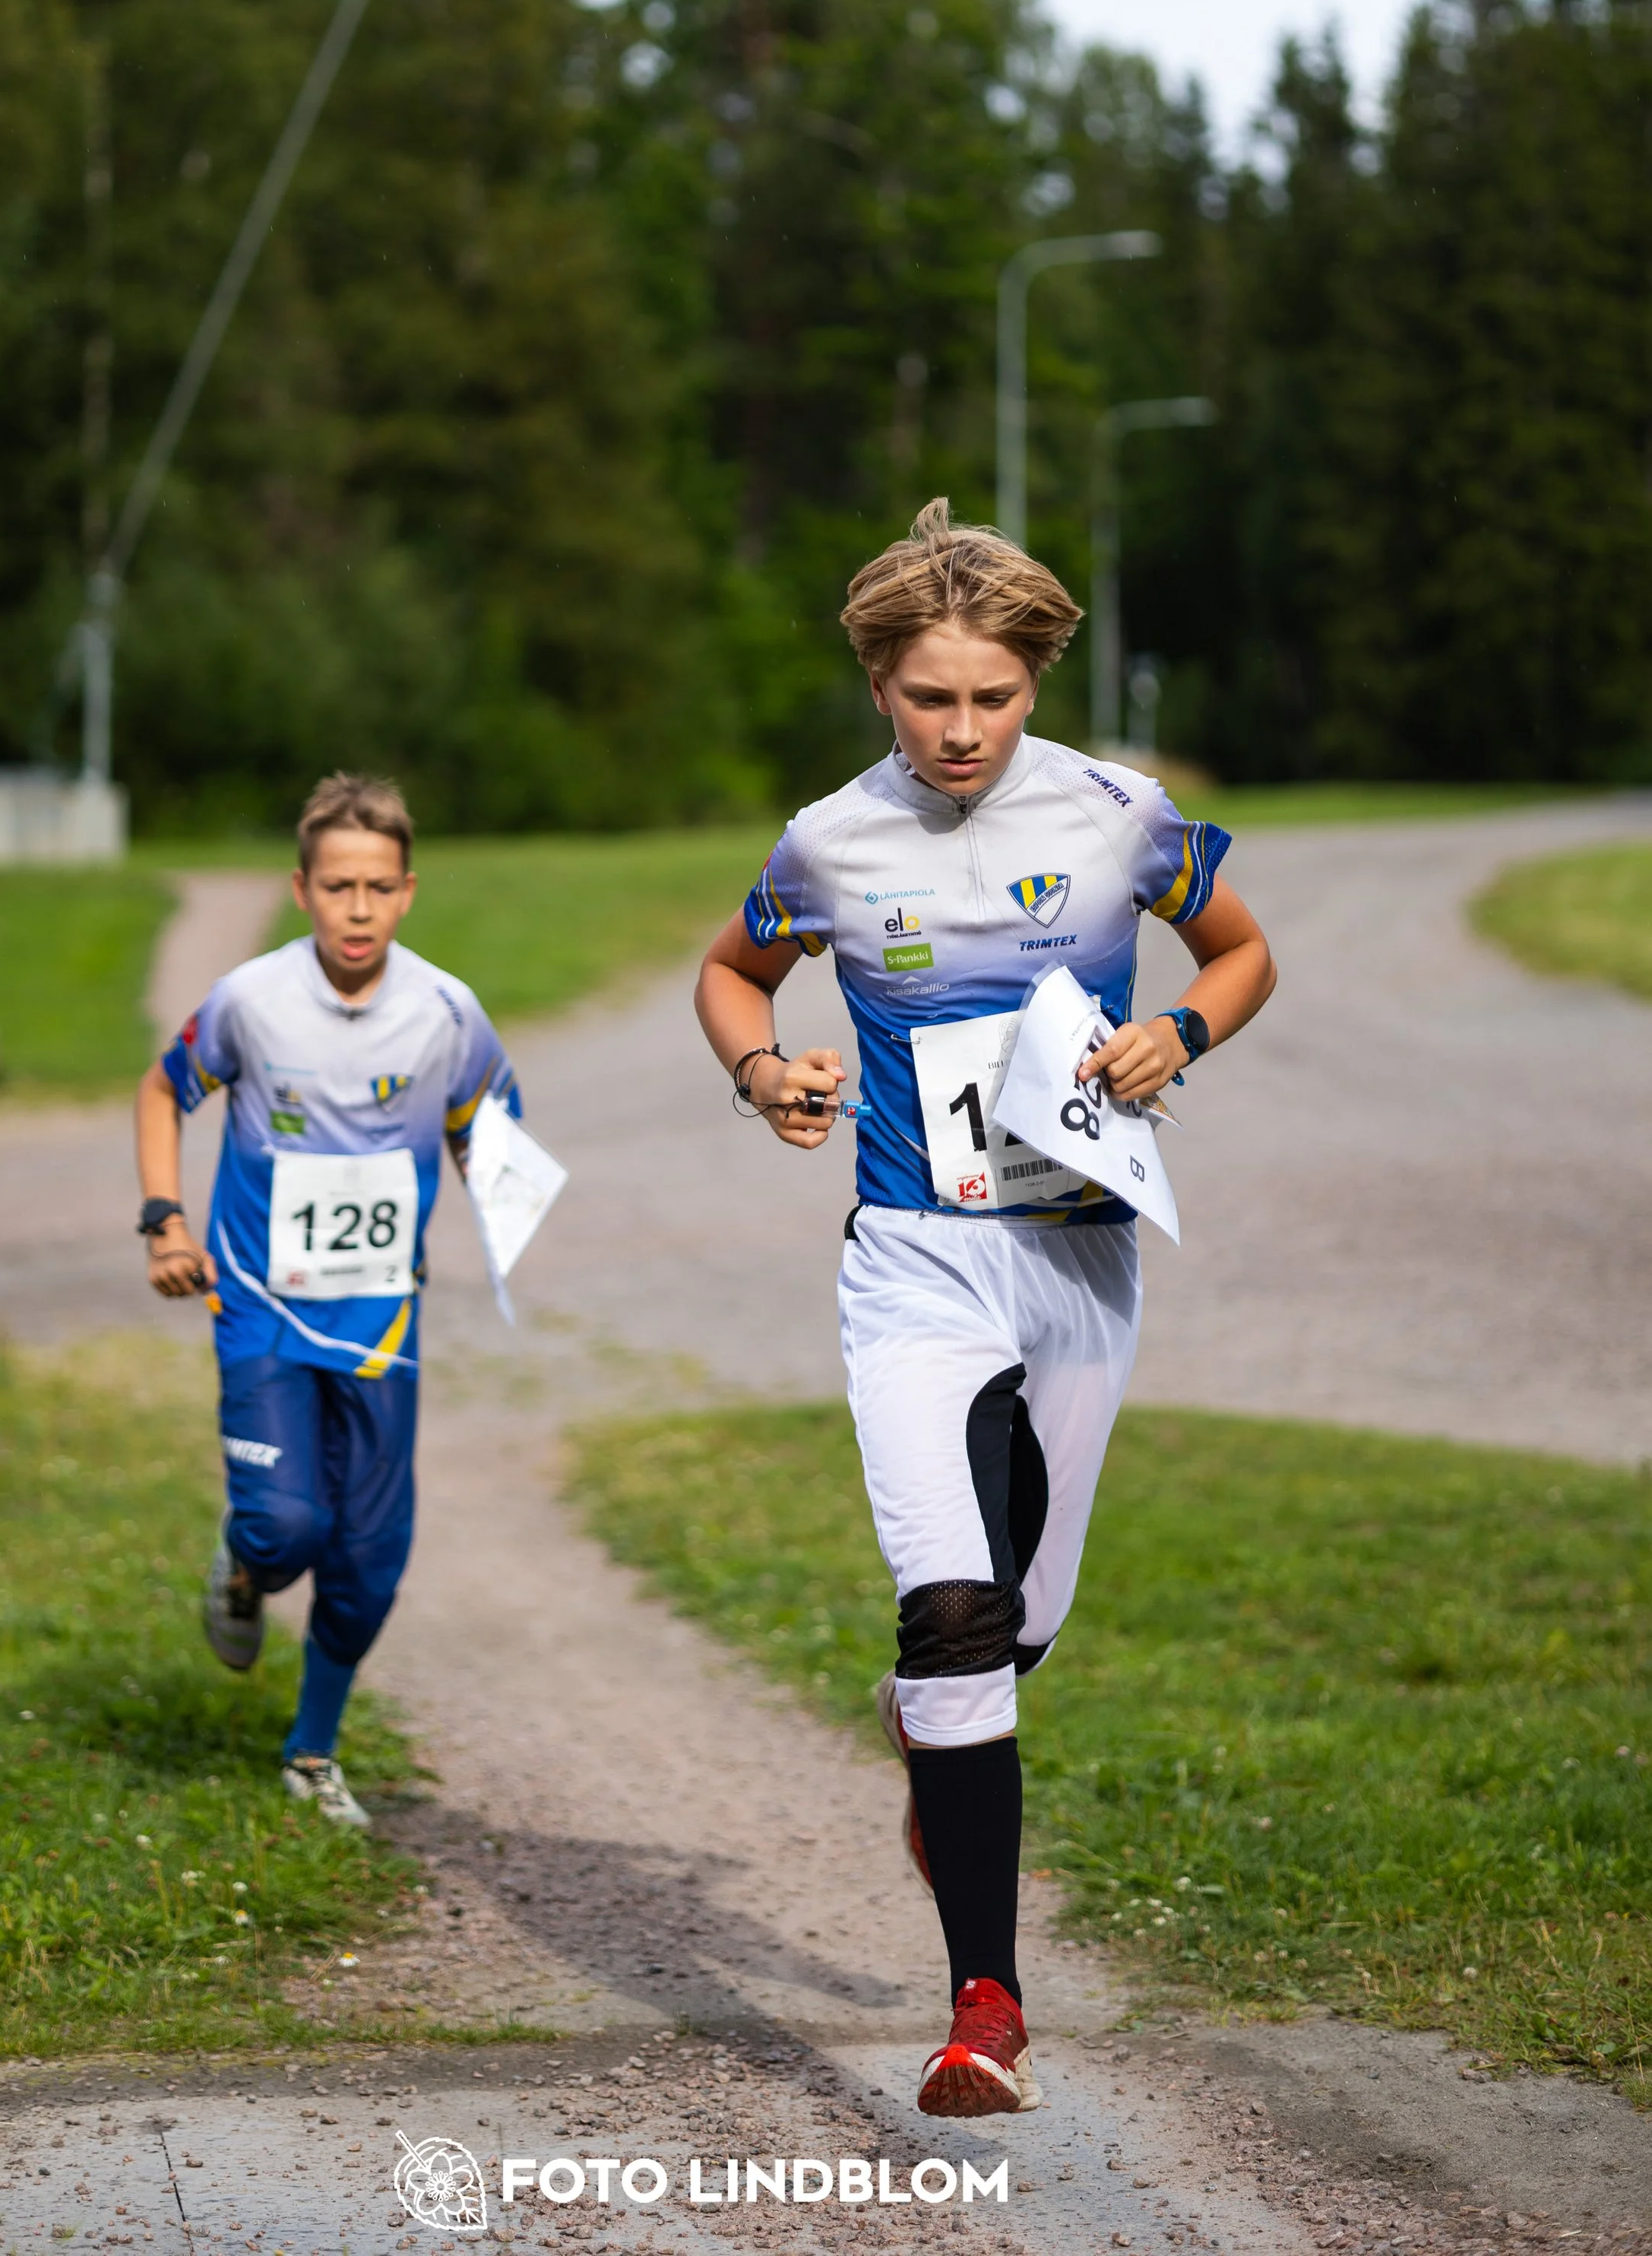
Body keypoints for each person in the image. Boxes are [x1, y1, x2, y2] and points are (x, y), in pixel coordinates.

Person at [695, 500, 1276, 2118]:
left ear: (1034, 682)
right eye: (928, 697)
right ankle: (983, 2006)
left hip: (1080, 1253)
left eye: (993, 697)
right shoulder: (828, 839)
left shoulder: (1117, 814)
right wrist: (766, 1069)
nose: (960, 730)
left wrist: (1178, 1034)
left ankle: (931, 1734)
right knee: (949, 1614)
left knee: (1017, 1629)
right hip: (912, 1261)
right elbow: (730, 971)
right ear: (877, 682)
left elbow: (1237, 951)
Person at [134, 772, 518, 1829]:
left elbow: (487, 1120)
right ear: (301, 888)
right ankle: (246, 1561)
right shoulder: (252, 1002)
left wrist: (496, 1180)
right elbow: (166, 1088)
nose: (359, 908)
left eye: (380, 887)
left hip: (383, 1321)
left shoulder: (446, 1011)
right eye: (339, 886)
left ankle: (311, 1753)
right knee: (287, 1525)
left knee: (368, 1562)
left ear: (407, 892)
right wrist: (166, 1220)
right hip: (258, 1302)